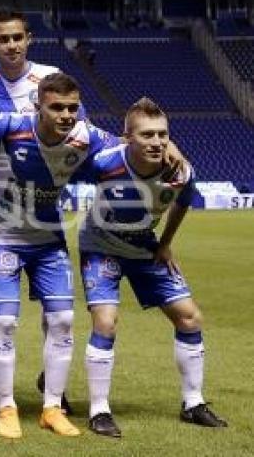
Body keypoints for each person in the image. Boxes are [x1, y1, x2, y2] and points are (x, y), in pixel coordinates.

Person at [0, 73, 119, 439]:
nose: (66, 115)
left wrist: (172, 151)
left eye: (72, 108)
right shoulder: (9, 127)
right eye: (57, 107)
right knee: (4, 322)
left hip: (48, 240)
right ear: (37, 105)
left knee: (63, 320)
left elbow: (126, 146)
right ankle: (6, 407)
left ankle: (51, 408)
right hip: (1, 237)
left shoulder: (85, 137)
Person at [78, 97, 227, 437]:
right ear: (127, 138)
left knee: (189, 316)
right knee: (106, 322)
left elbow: (184, 203)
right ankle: (99, 411)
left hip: (143, 245)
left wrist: (165, 243)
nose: (157, 142)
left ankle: (194, 403)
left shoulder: (181, 172)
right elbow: (61, 169)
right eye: (147, 135)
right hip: (100, 247)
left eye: (163, 134)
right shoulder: (103, 163)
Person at [0, 7, 74, 417]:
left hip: (43, 208)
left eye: (17, 38)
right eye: (3, 39)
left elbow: (75, 130)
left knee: (56, 308)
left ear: (29, 39)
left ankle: (54, 385)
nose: (11, 45)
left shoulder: (49, 77)